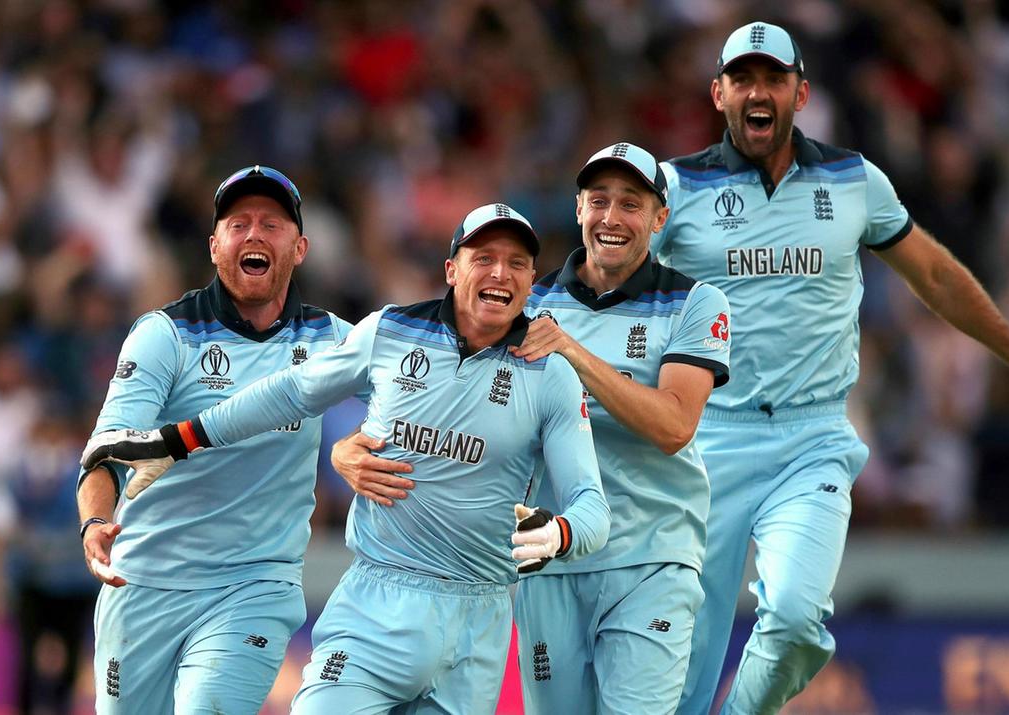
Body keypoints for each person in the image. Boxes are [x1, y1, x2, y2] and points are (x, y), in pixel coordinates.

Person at [651, 22, 1009, 715]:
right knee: (679, 670)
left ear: (801, 92)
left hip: (812, 439)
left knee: (796, 620)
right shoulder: (675, 189)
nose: (758, 91)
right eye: (743, 78)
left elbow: (938, 277)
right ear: (719, 93)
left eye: (774, 78)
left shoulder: (853, 180)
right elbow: (603, 285)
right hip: (707, 437)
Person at [82, 202, 612, 714]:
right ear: (452, 270)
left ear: (531, 278)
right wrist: (180, 441)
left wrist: (560, 533)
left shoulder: (551, 374)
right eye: (484, 259)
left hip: (477, 618)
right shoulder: (390, 333)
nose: (501, 273)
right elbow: (291, 393)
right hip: (374, 597)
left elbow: (591, 506)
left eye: (517, 263)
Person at [333, 142, 731, 713]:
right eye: (599, 200)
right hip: (544, 559)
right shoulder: (526, 297)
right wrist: (350, 448)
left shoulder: (695, 302)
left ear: (659, 218)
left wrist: (573, 352)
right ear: (578, 210)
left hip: (651, 557)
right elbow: (437, 397)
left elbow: (674, 425)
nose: (612, 218)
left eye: (631, 204)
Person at [76, 164, 353, 713]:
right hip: (144, 581)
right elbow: (105, 452)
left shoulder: (336, 340)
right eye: (238, 223)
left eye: (271, 224)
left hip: (254, 586)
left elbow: (415, 399)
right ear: (213, 246)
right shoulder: (164, 335)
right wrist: (93, 523)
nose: (253, 234)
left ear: (299, 248)